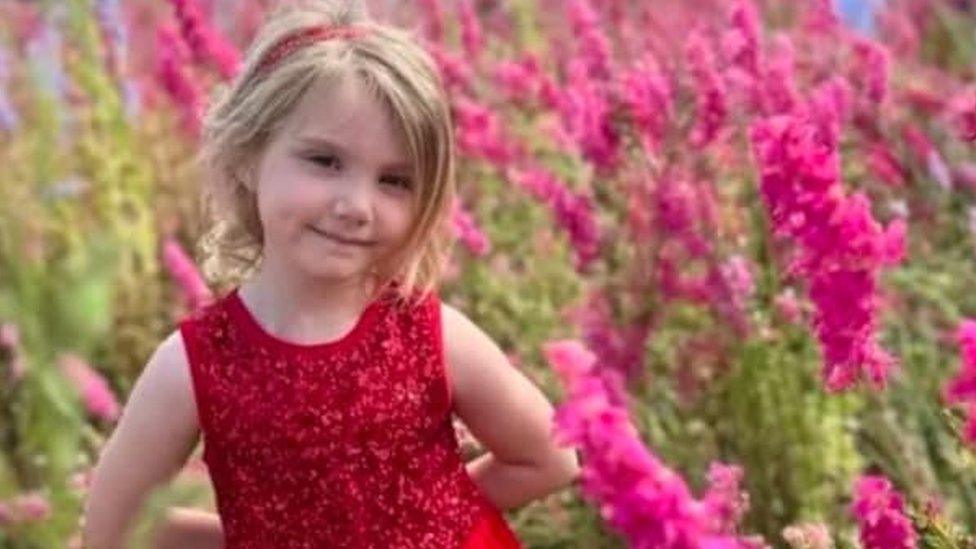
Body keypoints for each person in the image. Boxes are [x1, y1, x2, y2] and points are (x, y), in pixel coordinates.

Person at [81, 1, 580, 547]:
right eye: (324, 161)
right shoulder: (192, 367)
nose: (356, 205)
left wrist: (428, 513)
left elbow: (550, 458)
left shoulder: (429, 335)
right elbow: (113, 527)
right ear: (249, 154)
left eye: (394, 180)